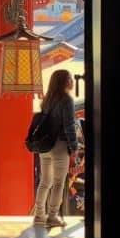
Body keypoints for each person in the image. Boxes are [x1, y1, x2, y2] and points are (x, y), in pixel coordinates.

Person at [33, 68, 79, 229]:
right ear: (64, 81)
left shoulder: (47, 100)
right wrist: (74, 146)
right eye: (69, 78)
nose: (72, 81)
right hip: (59, 145)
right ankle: (52, 216)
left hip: (44, 146)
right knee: (59, 183)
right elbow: (69, 125)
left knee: (45, 182)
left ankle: (39, 215)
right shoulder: (66, 100)